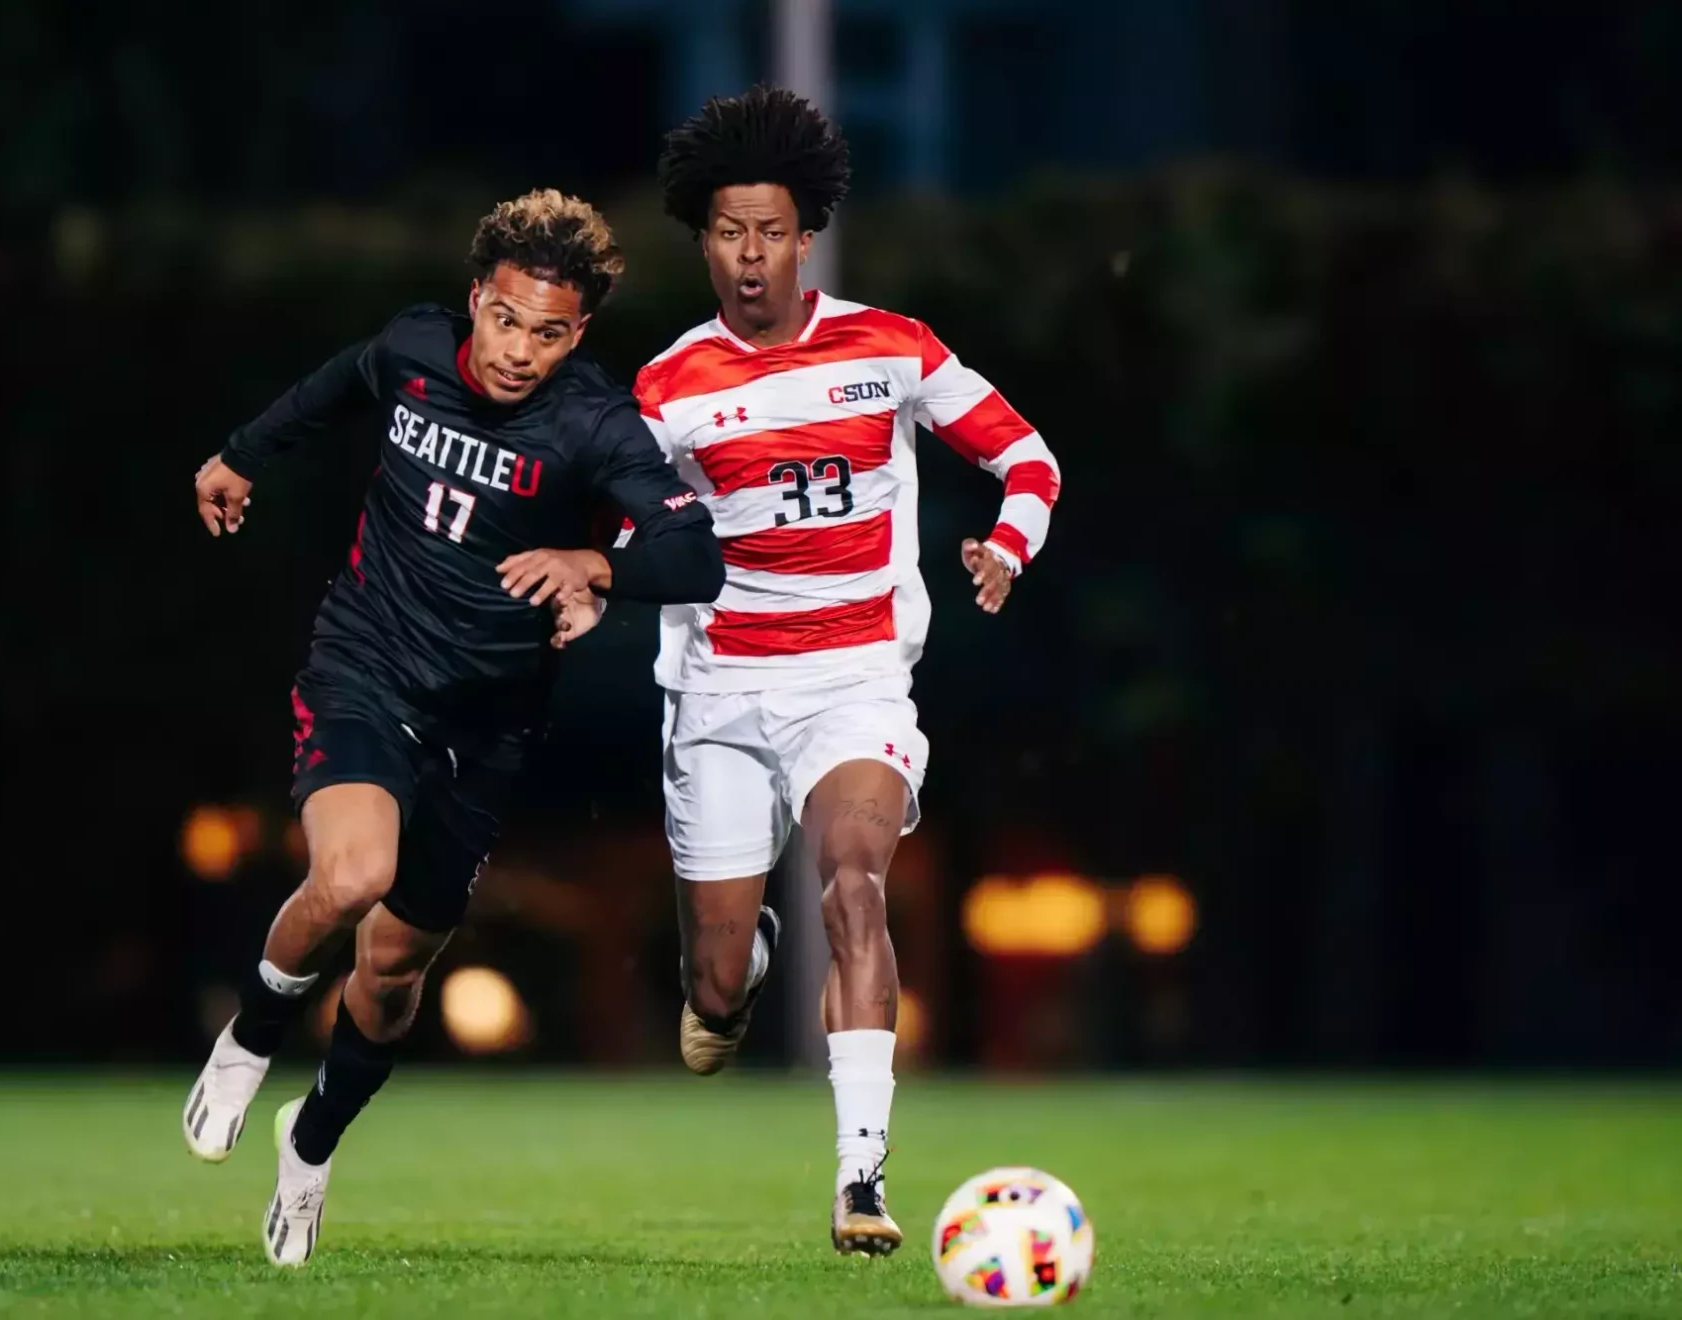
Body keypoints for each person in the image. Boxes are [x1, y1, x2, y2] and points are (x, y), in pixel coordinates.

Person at [181, 189, 723, 1268]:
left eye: (551, 331)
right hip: (368, 664)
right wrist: (241, 454)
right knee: (348, 878)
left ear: (581, 333)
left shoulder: (595, 424)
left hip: (489, 716)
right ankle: (249, 1038)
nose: (521, 350)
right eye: (507, 319)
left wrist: (595, 565)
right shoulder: (413, 348)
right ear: (476, 301)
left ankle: (314, 1140)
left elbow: (696, 553)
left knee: (392, 969)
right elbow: (337, 386)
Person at [627, 85, 1062, 1256]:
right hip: (719, 692)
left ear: (805, 233)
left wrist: (1005, 545)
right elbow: (630, 528)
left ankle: (860, 1179)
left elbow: (1028, 457)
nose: (752, 255)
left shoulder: (892, 347)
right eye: (729, 233)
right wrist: (591, 573)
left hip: (854, 681)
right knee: (713, 995)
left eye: (772, 230)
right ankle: (739, 962)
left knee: (857, 883)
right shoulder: (667, 388)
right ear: (703, 239)